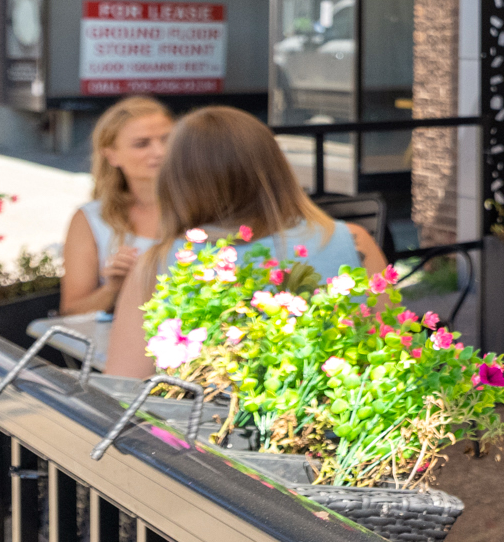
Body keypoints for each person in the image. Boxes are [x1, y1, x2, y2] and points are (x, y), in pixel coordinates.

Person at [105, 107, 391, 377]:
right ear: (276, 166)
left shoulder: (160, 262)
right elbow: (393, 355)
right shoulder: (353, 242)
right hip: (339, 425)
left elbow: (125, 387)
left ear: (177, 179)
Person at [61, 95, 173, 316]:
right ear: (111, 155)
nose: (160, 152)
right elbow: (71, 312)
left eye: (168, 139)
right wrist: (113, 288)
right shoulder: (92, 218)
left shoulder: (207, 205)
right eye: (142, 144)